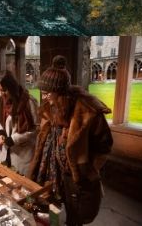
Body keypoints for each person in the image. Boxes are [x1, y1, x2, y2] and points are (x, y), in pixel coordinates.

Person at [28, 56, 113, 226]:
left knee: (75, 216)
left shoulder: (88, 112)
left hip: (74, 177)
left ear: (60, 93)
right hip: (51, 171)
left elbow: (105, 145)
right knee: (51, 208)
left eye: (47, 93)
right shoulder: (49, 108)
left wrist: (89, 169)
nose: (44, 97)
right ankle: (54, 224)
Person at [0, 70, 38, 175]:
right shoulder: (3, 101)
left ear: (11, 87)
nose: (1, 94)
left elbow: (36, 129)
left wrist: (14, 139)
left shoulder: (29, 102)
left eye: (3, 90)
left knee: (22, 186)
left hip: (22, 155)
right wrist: (0, 133)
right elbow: (1, 121)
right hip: (6, 153)